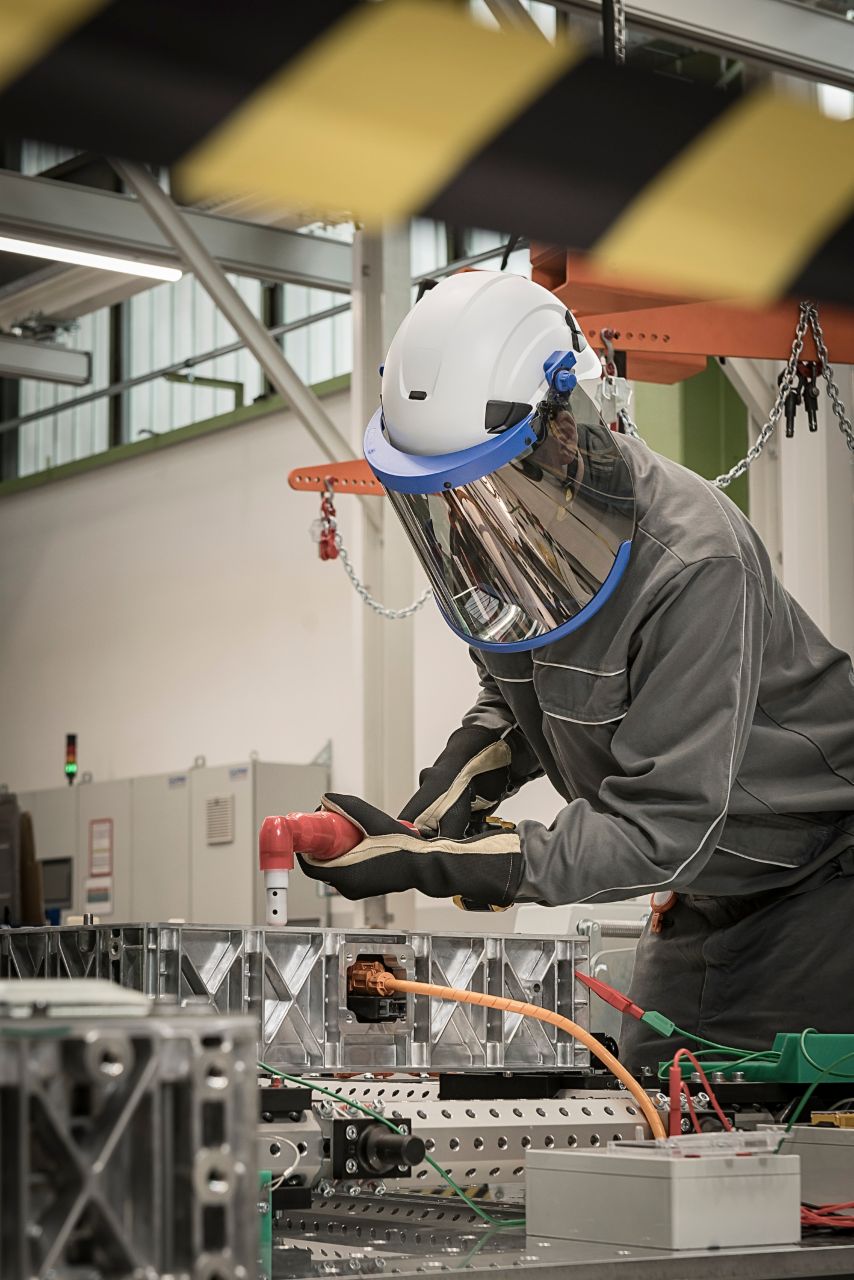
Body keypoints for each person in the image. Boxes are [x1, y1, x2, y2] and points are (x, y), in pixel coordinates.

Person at [299, 270, 854, 1070]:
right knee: (658, 1098)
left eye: (482, 485)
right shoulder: (509, 536)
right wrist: (452, 795)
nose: (465, 520)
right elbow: (517, 692)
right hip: (707, 885)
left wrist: (455, 861)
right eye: (445, 497)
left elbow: (660, 826)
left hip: (819, 878)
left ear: (564, 428)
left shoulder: (694, 563)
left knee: (772, 1137)